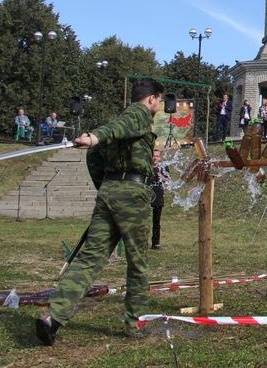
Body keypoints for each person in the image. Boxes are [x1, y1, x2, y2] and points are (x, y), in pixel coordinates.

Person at [36, 78, 165, 345]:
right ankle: (135, 324)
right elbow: (112, 132)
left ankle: (54, 317)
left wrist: (107, 186)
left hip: (109, 192)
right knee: (138, 262)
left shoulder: (121, 121)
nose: (160, 105)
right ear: (152, 98)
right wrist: (94, 138)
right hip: (132, 195)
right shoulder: (139, 114)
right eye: (160, 100)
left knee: (89, 259)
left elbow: (94, 157)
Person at [149, 148, 170, 250]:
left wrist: (161, 176)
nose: (155, 158)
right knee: (143, 220)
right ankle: (141, 242)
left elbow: (168, 180)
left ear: (160, 157)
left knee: (156, 221)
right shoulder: (146, 167)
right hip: (147, 194)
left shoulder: (163, 167)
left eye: (157, 156)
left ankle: (155, 243)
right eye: (154, 156)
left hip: (158, 194)